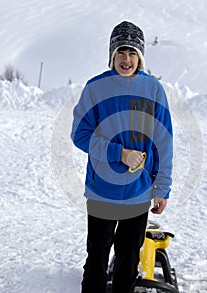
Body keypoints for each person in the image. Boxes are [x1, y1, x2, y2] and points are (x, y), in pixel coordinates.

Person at [71, 21, 173, 293]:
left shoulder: (153, 90)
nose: (126, 60)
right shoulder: (95, 88)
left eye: (132, 53)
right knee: (96, 261)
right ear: (112, 55)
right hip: (102, 191)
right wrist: (120, 154)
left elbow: (164, 143)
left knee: (128, 262)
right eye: (121, 52)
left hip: (138, 193)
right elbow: (80, 134)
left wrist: (162, 188)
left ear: (140, 57)